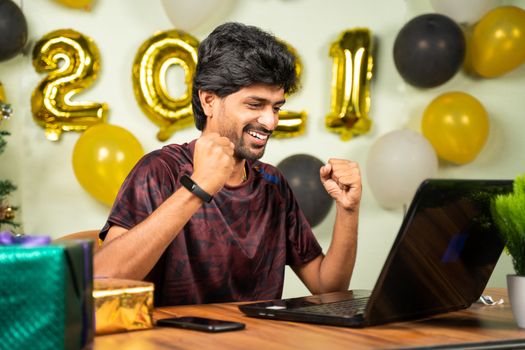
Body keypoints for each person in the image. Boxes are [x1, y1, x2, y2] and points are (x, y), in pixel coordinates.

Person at [94, 22, 362, 306]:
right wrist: (197, 188)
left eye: (276, 107)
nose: (270, 121)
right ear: (209, 100)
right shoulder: (160, 171)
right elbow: (103, 281)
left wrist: (349, 210)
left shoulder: (273, 185)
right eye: (255, 104)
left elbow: (327, 287)